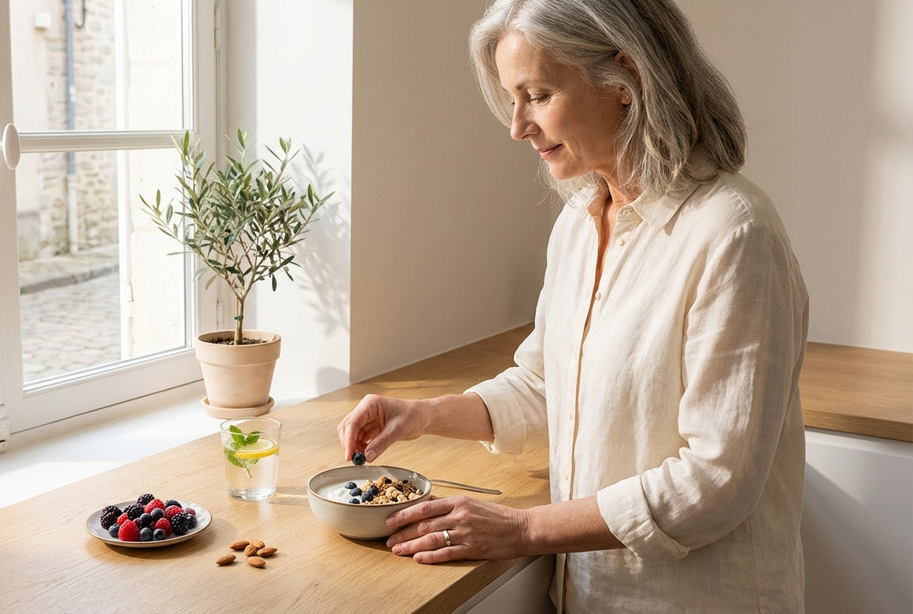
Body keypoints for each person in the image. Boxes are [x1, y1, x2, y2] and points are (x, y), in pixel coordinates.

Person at [337, 0, 809, 611]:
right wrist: (423, 414)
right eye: (512, 98)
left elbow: (715, 482)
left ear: (626, 79)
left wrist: (523, 529)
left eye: (536, 94)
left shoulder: (735, 231)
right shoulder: (580, 223)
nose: (517, 126)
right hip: (590, 593)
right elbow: (545, 382)